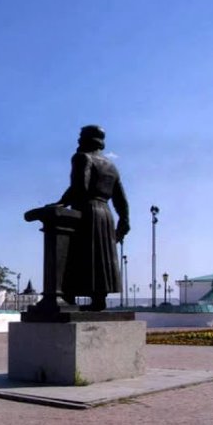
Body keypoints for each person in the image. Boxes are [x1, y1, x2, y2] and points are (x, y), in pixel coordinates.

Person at [55, 125, 130, 311]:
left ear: (88, 139)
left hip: (86, 211)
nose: (78, 141)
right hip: (106, 214)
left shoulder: (82, 157)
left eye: (81, 137)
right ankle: (99, 300)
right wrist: (124, 220)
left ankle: (67, 296)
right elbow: (121, 199)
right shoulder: (111, 166)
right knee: (100, 258)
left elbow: (80, 186)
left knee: (77, 254)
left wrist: (61, 203)